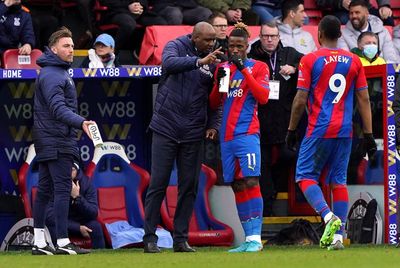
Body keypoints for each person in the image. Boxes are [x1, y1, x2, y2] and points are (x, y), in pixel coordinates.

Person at [285, 15, 377, 251]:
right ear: (339, 35)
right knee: (338, 181)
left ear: (319, 34)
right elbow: (364, 98)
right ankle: (338, 237)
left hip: (319, 129)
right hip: (345, 131)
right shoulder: (354, 60)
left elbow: (300, 99)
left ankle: (328, 217)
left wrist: (292, 129)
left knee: (304, 176)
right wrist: (368, 135)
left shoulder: (310, 59)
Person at [143, 22, 222, 254]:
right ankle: (149, 238)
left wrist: (213, 125)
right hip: (166, 127)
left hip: (193, 131)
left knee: (189, 186)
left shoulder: (215, 61)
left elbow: (217, 99)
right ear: (194, 37)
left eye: (213, 40)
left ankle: (180, 239)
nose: (211, 44)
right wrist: (199, 62)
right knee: (158, 184)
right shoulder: (175, 46)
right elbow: (168, 64)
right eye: (207, 40)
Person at [32, 26, 95, 255]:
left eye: (72, 45)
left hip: (51, 138)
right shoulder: (52, 75)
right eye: (66, 46)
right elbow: (58, 109)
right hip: (56, 139)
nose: (71, 50)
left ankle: (39, 243)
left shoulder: (56, 72)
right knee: (61, 190)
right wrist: (82, 123)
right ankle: (62, 241)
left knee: (46, 190)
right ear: (53, 49)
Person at [209, 22, 270, 252]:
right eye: (231, 46)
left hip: (247, 134)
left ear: (247, 47)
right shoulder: (222, 68)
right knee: (236, 185)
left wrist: (243, 69)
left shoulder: (259, 67)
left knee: (251, 181)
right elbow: (215, 102)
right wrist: (219, 82)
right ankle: (247, 239)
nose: (234, 50)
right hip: (227, 137)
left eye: (239, 46)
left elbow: (263, 97)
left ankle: (256, 238)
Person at [248, 21, 303, 216]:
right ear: (260, 37)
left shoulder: (289, 53)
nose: (270, 40)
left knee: (289, 156)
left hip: (285, 118)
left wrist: (295, 68)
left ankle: (285, 194)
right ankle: (267, 205)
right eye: (266, 36)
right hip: (260, 120)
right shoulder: (251, 56)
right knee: (261, 165)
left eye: (273, 36)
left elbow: (307, 63)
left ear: (279, 37)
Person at [46, 161, 105, 249]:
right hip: (61, 223)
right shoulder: (52, 183)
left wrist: (77, 197)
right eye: (65, 170)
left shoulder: (86, 183)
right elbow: (49, 216)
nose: (68, 173)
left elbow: (93, 212)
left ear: (77, 170)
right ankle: (58, 258)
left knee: (95, 227)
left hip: (80, 221)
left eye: (72, 170)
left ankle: (100, 259)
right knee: (53, 229)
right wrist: (77, 227)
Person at [99, 0, 166, 50]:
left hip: (139, 12)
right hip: (117, 11)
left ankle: (141, 52)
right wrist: (128, 6)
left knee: (160, 23)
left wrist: (139, 5)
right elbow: (106, 2)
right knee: (129, 23)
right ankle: (111, 52)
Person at [317, 0, 394, 26]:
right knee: (346, 20)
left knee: (387, 17)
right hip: (339, 10)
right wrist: (340, 2)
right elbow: (320, 2)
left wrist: (384, 6)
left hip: (365, 7)